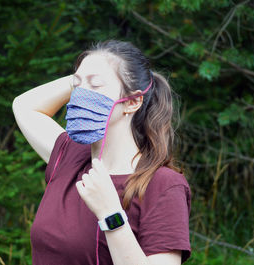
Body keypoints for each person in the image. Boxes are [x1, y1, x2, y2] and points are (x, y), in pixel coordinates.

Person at [12, 40, 191, 265]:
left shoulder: (163, 185)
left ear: (133, 101)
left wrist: (110, 214)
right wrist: (83, 77)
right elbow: (24, 106)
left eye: (96, 86)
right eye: (77, 88)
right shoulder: (69, 156)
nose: (80, 95)